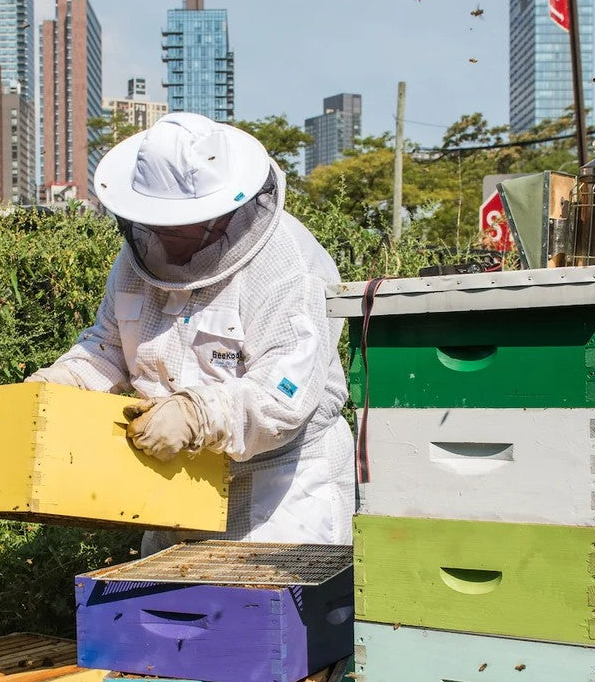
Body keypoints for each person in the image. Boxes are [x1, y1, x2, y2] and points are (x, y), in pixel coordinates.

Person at [30, 111, 354, 550]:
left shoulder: (287, 264)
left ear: (219, 213)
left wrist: (197, 413)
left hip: (279, 494)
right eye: (152, 221)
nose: (161, 235)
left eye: (175, 223)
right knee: (171, 612)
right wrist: (54, 386)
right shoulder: (137, 260)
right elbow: (108, 347)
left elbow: (284, 394)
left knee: (263, 616)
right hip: (175, 484)